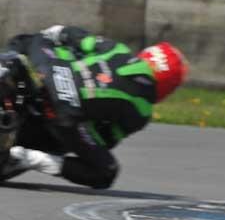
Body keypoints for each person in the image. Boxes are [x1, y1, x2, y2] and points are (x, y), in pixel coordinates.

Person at [0, 25, 188, 189]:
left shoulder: (117, 49)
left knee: (31, 41)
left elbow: (65, 32)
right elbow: (105, 141)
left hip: (51, 70)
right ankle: (27, 158)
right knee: (106, 172)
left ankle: (6, 67)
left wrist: (58, 48)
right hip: (66, 114)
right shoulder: (142, 111)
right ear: (168, 86)